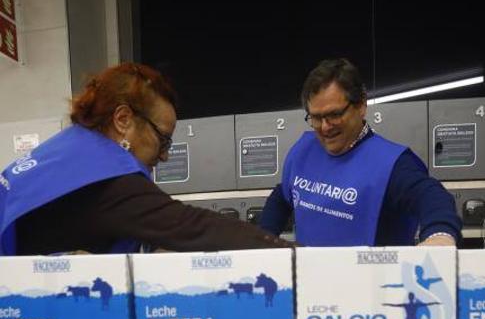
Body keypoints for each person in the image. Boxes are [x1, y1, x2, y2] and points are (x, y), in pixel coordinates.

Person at [0, 62, 292, 256]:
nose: (164, 155)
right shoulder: (108, 181)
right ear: (123, 119)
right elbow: (193, 227)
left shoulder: (64, 154)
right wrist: (297, 255)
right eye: (162, 138)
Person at [260, 58, 461, 246]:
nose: (325, 127)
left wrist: (440, 234)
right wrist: (262, 241)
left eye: (334, 114)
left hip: (372, 281)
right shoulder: (304, 151)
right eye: (316, 117)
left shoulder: (390, 164)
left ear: (361, 105)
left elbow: (431, 195)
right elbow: (283, 195)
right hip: (311, 279)